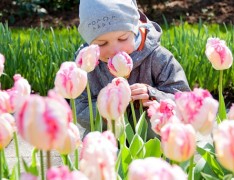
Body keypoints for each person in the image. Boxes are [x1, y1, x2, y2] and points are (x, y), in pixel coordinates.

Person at [75, 0, 190, 138]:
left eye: (122, 38)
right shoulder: (87, 65)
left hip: (153, 141)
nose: (114, 49)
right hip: (109, 144)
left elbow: (183, 98)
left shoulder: (158, 57)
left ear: (135, 31)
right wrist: (107, 108)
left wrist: (153, 95)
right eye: (102, 43)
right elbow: (79, 108)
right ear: (90, 43)